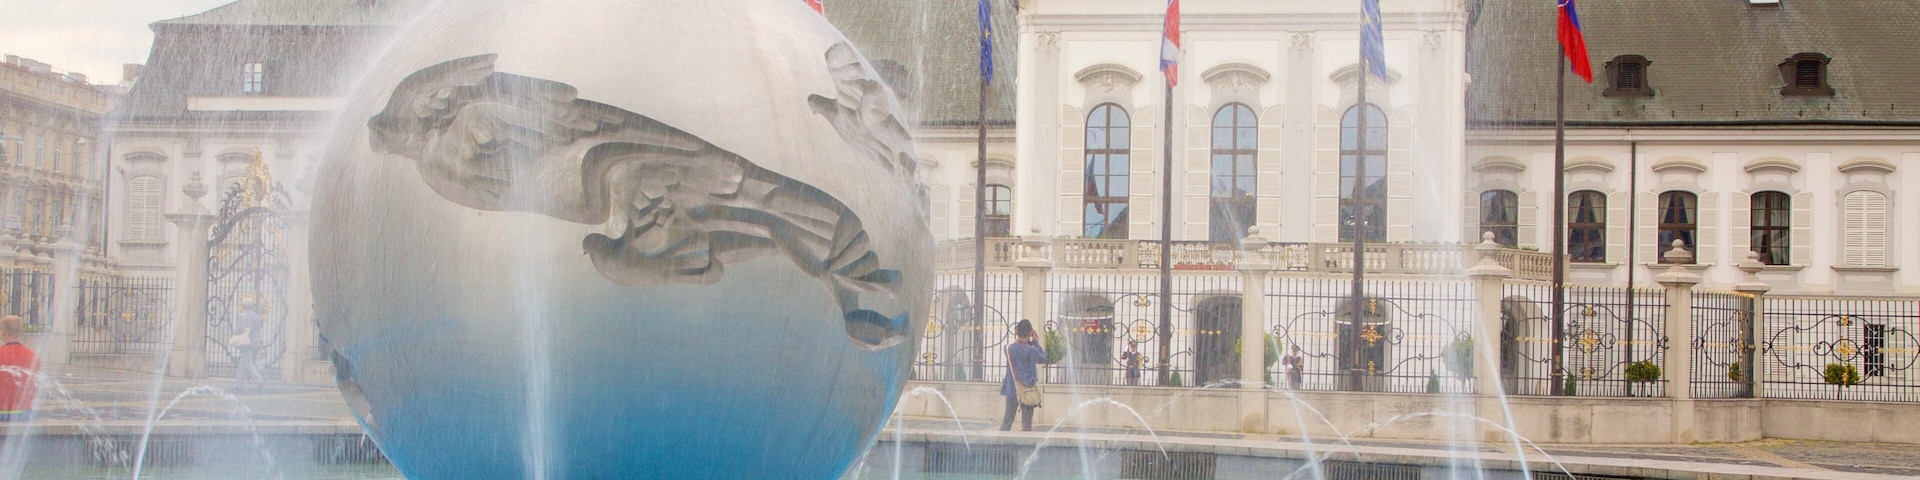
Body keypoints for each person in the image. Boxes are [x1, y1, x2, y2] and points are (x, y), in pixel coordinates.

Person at [999, 319, 1047, 432]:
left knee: (1007, 420)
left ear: (1016, 331)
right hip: (1027, 391)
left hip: (1012, 389)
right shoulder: (1032, 350)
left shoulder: (1007, 348)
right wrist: (1034, 341)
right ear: (1030, 333)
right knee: (1027, 425)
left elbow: (1018, 346)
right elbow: (1043, 358)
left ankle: (1001, 446)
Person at [0, 315, 39, 421]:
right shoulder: (33, 356)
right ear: (20, 332)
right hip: (23, 411)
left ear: (3, 333)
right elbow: (34, 388)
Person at [234, 298, 266, 392]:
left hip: (246, 341)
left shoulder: (241, 316)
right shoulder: (256, 316)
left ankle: (259, 381)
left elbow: (240, 329)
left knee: (248, 362)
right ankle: (238, 384)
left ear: (243, 306)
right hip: (255, 341)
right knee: (242, 363)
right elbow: (259, 328)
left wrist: (234, 333)